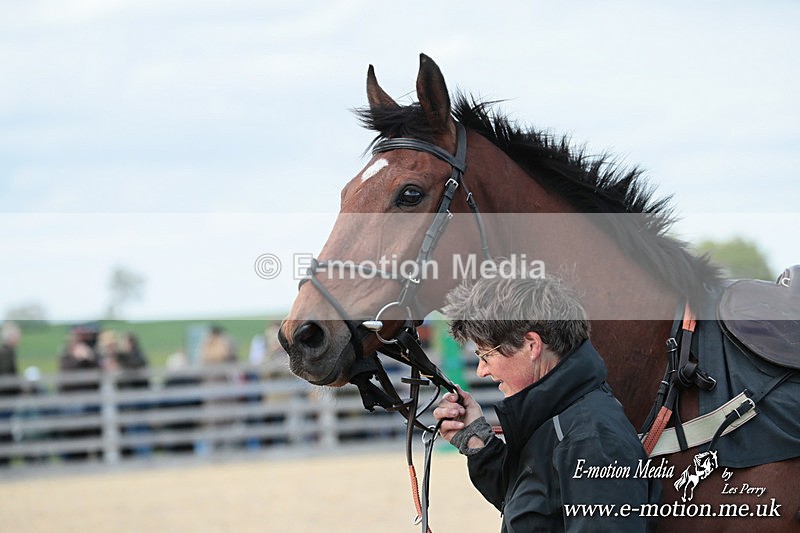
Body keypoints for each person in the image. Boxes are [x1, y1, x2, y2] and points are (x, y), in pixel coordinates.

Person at [433, 275, 661, 532]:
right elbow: (533, 510)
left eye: (485, 355)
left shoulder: (592, 440)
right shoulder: (557, 419)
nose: (481, 370)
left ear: (532, 345)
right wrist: (476, 441)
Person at [0, 321, 22, 466]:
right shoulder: (6, 353)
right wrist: (19, 388)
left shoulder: (7, 352)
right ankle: (4, 463)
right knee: (5, 433)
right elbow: (7, 375)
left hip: (7, 399)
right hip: (5, 400)